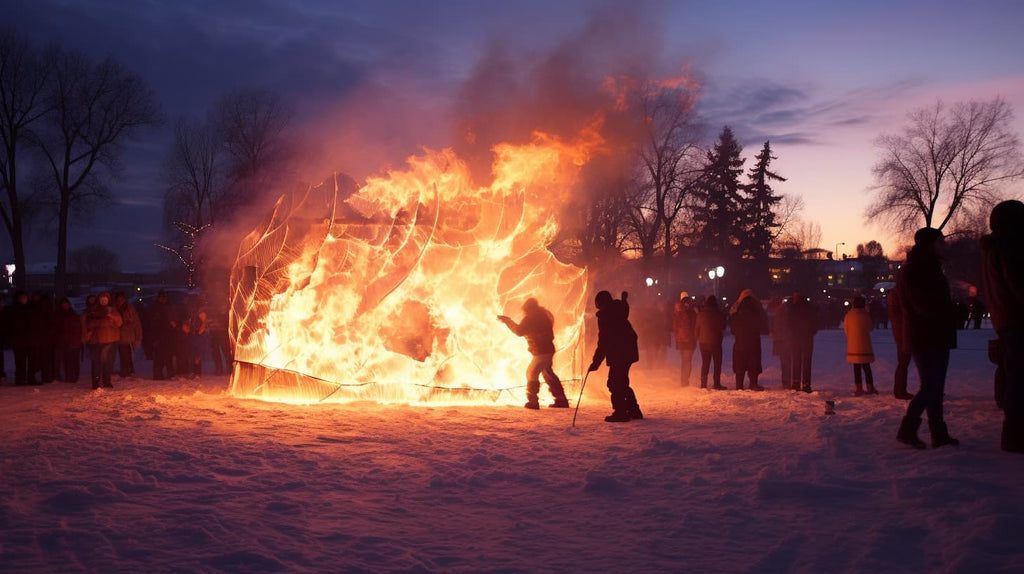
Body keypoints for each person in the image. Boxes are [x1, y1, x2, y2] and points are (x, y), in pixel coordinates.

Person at [896, 227, 959, 449]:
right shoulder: (917, 269)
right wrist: (950, 310)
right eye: (939, 241)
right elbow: (922, 305)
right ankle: (908, 429)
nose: (943, 245)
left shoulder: (925, 267)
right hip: (926, 334)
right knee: (931, 385)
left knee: (934, 385)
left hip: (931, 333)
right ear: (929, 244)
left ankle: (938, 433)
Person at [980, 200, 1024, 453]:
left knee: (1015, 374)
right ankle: (1015, 434)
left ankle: (1014, 432)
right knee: (1019, 377)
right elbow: (1018, 284)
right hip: (1017, 318)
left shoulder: (994, 248)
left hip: (1006, 318)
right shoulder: (1009, 247)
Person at [498, 297, 570, 409]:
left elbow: (519, 331)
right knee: (548, 374)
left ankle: (533, 401)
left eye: (526, 310)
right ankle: (561, 399)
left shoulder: (532, 318)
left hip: (541, 352)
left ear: (529, 309)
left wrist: (508, 321)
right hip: (547, 350)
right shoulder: (542, 316)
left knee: (531, 372)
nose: (525, 312)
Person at [587, 290, 642, 422]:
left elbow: (604, 341)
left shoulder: (606, 316)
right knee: (621, 382)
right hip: (627, 351)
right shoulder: (617, 310)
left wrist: (596, 362)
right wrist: (624, 300)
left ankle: (621, 412)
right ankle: (633, 410)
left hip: (619, 352)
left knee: (614, 383)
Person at [729, 289, 768, 391]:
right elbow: (764, 327)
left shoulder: (737, 311)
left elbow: (733, 329)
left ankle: (739, 385)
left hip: (740, 342)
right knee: (753, 363)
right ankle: (753, 383)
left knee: (740, 365)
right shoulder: (758, 311)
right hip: (753, 342)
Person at [84, 291, 123, 390]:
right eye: (102, 300)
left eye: (105, 300)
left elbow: (119, 323)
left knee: (108, 362)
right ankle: (96, 382)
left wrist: (111, 318)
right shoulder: (93, 310)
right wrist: (100, 321)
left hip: (110, 340)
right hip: (96, 341)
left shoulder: (113, 310)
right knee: (96, 362)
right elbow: (88, 324)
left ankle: (107, 381)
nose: (104, 302)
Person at [844, 296, 877, 396]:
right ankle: (870, 387)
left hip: (853, 345)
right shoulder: (865, 315)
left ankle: (858, 388)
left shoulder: (848, 315)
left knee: (856, 367)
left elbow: (846, 330)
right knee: (867, 367)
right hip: (864, 344)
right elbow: (870, 327)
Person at [785, 293, 818, 393]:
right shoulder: (809, 309)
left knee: (796, 360)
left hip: (795, 337)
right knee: (807, 361)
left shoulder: (792, 309)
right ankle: (806, 383)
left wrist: (791, 332)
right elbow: (815, 323)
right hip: (807, 338)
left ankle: (796, 382)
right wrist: (811, 332)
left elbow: (788, 323)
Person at [887, 286, 914, 400]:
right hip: (905, 333)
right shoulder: (900, 294)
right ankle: (900, 390)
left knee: (903, 363)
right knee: (904, 362)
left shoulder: (895, 294)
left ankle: (899, 390)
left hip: (901, 333)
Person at [694, 295, 726, 390]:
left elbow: (697, 328)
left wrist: (697, 338)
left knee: (705, 363)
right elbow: (723, 326)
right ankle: (716, 383)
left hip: (703, 342)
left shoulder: (701, 314)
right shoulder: (719, 314)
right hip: (716, 342)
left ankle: (703, 384)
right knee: (717, 363)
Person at [671, 292, 697, 386]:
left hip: (681, 340)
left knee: (684, 361)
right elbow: (694, 324)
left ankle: (684, 380)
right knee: (687, 361)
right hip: (689, 339)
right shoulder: (691, 311)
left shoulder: (677, 312)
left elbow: (674, 327)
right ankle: (685, 380)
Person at [115, 292, 143, 379]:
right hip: (119, 335)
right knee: (124, 353)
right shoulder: (115, 309)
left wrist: (138, 336)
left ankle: (126, 370)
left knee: (126, 353)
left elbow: (136, 323)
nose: (120, 301)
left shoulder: (129, 309)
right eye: (118, 300)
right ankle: (128, 370)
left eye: (121, 299)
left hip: (128, 335)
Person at [55, 298, 83, 383]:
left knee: (74, 360)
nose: (65, 306)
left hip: (73, 341)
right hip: (64, 341)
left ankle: (75, 376)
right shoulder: (59, 315)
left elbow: (78, 328)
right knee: (67, 360)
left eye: (66, 304)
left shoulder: (73, 315)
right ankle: (69, 376)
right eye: (63, 304)